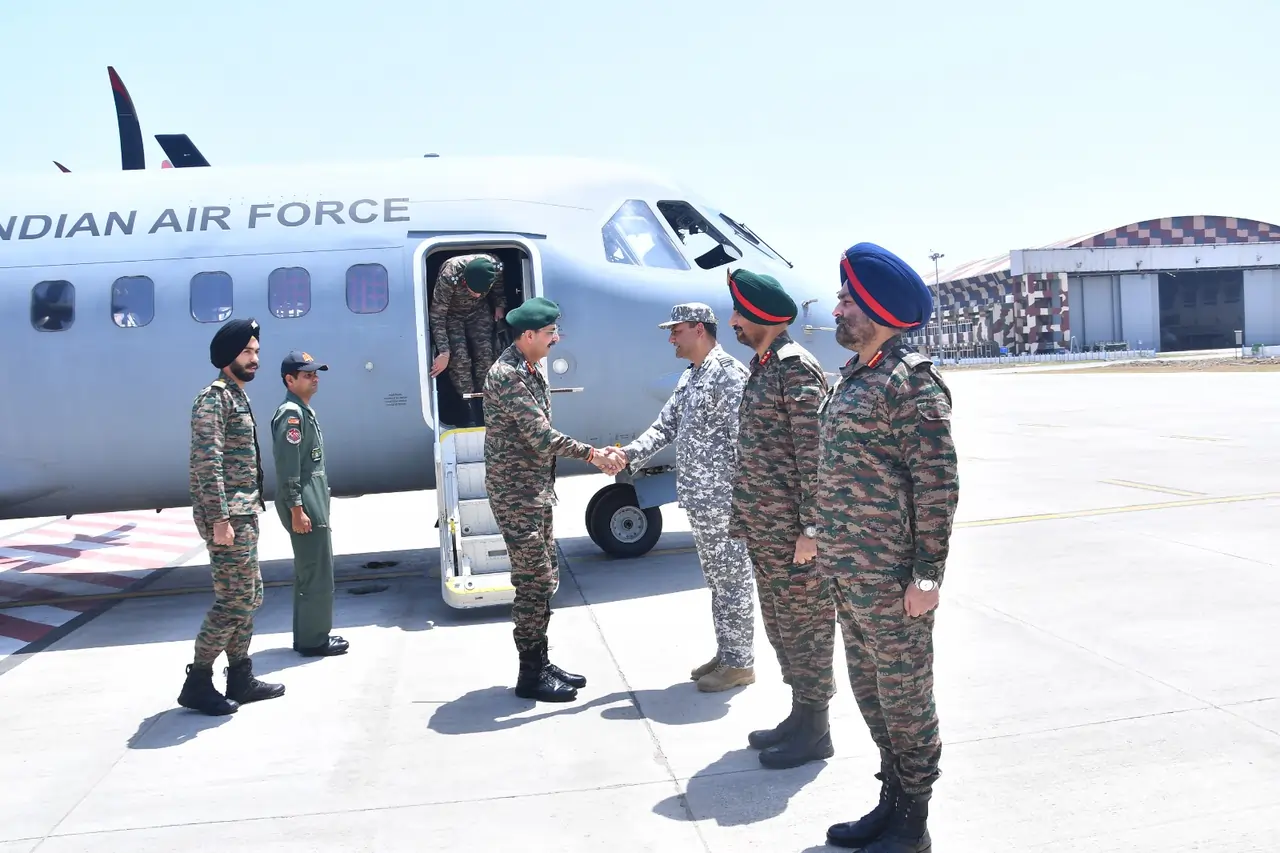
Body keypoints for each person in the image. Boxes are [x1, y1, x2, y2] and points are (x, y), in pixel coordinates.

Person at [818, 242, 959, 852]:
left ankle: (914, 821)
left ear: (876, 310)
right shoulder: (857, 375)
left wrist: (927, 574)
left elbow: (937, 485)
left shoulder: (912, 384)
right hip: (850, 573)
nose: (838, 308)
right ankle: (890, 800)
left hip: (893, 577)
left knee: (905, 696)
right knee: (872, 692)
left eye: (848, 300)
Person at [482, 296, 623, 702]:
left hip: (534, 489)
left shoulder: (528, 368)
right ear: (528, 335)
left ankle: (540, 661)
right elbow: (541, 436)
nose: (556, 339)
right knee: (533, 581)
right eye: (549, 333)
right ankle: (530, 674)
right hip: (517, 494)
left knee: (544, 579)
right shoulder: (507, 375)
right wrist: (595, 454)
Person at [612, 303, 756, 692]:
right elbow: (666, 425)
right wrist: (626, 455)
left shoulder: (727, 375)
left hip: (725, 502)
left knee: (733, 580)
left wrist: (745, 503)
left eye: (675, 330)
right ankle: (728, 652)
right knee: (718, 580)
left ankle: (741, 662)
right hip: (703, 502)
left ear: (697, 329)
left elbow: (745, 443)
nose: (671, 338)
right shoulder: (694, 375)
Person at [726, 268, 838, 770]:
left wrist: (811, 531)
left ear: (762, 318)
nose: (732, 322)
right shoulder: (765, 365)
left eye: (739, 314)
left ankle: (816, 729)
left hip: (794, 536)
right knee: (781, 625)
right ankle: (800, 714)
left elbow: (815, 456)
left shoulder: (794, 369)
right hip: (766, 530)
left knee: (807, 626)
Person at [178, 317, 286, 716]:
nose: (255, 358)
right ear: (228, 358)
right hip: (226, 517)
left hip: (244, 512)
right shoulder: (213, 399)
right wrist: (220, 519)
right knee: (233, 602)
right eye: (247, 352)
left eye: (256, 351)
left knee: (251, 597)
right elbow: (208, 465)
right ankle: (198, 680)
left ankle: (240, 675)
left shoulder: (237, 396)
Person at [270, 350, 349, 659]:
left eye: (316, 373)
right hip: (303, 499)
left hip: (310, 496)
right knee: (316, 571)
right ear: (290, 380)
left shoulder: (302, 411)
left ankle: (308, 634)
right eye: (307, 374)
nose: (314, 378)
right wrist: (297, 508)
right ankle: (314, 639)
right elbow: (288, 466)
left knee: (312, 569)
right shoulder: (291, 414)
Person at [428, 253, 507, 426]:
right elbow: (437, 315)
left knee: (487, 358)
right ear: (464, 281)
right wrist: (444, 351)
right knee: (460, 362)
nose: (477, 294)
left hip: (478, 312)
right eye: (473, 290)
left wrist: (499, 305)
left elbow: (499, 285)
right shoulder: (450, 275)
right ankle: (469, 409)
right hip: (451, 315)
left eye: (481, 291)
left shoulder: (495, 266)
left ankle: (488, 407)